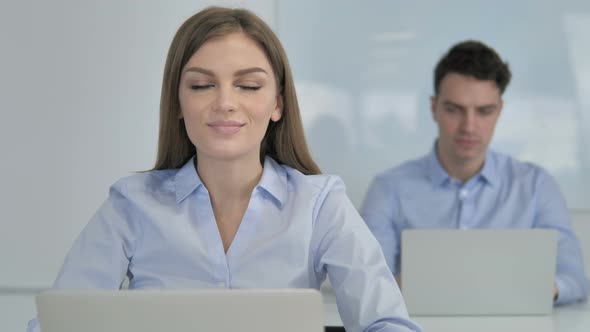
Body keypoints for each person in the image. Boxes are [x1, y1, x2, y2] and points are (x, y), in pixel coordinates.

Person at [27, 7, 421, 332]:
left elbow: (386, 322)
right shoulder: (131, 204)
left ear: (277, 104)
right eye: (201, 86)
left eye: (248, 86)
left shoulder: (320, 204)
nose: (225, 103)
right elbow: (58, 324)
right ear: (178, 104)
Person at [361, 40, 588, 305]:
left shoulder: (536, 186)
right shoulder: (388, 189)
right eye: (453, 110)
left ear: (499, 110)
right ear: (433, 108)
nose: (469, 126)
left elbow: (575, 279)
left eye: (484, 111)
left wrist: (537, 288)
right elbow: (370, 285)